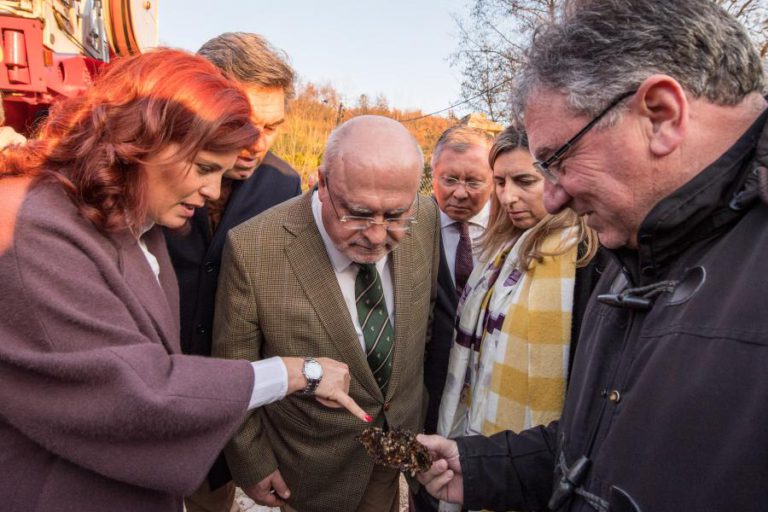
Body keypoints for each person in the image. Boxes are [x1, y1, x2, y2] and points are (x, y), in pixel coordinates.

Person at [416, 1, 768, 511]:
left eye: (557, 160)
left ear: (661, 115)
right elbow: (596, 446)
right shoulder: (632, 251)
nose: (552, 198)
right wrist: (480, 467)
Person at [0, 48, 367, 512]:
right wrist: (297, 372)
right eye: (205, 168)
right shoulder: (24, 228)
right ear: (142, 137)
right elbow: (133, 394)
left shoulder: (140, 221)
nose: (214, 189)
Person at [213, 115, 441, 512]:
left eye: (395, 216)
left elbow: (424, 325)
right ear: (322, 183)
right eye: (357, 213)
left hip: (394, 449)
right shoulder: (253, 248)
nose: (376, 235)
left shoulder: (427, 220)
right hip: (309, 470)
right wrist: (253, 462)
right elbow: (234, 369)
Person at [162, 32, 302, 512]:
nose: (255, 143)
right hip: (145, 400)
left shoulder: (285, 185)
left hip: (222, 415)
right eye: (239, 121)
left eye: (273, 126)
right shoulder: (151, 170)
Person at [434, 127, 598, 512]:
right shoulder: (500, 250)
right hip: (481, 445)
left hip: (548, 460)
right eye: (501, 182)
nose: (508, 197)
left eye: (525, 181)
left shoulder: (588, 256)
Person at [424, 126, 493, 436]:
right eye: (449, 180)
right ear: (432, 170)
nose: (460, 192)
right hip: (428, 393)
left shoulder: (513, 232)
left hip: (489, 391)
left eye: (474, 181)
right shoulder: (408, 227)